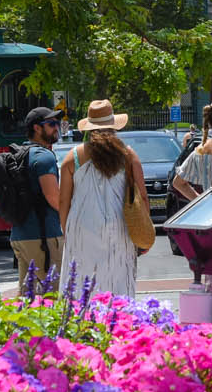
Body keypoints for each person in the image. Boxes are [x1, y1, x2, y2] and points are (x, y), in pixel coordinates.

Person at [58, 100, 146, 299]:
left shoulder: (72, 158)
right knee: (118, 281)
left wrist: (68, 231)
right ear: (113, 126)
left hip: (81, 224)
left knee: (81, 284)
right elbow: (142, 196)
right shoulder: (128, 155)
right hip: (120, 224)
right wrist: (143, 234)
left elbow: (64, 201)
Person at [8, 105, 66, 280]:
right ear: (37, 127)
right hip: (44, 237)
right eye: (51, 123)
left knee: (27, 301)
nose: (56, 127)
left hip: (20, 236)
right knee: (57, 296)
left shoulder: (21, 154)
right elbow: (55, 199)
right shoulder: (44, 157)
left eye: (57, 123)